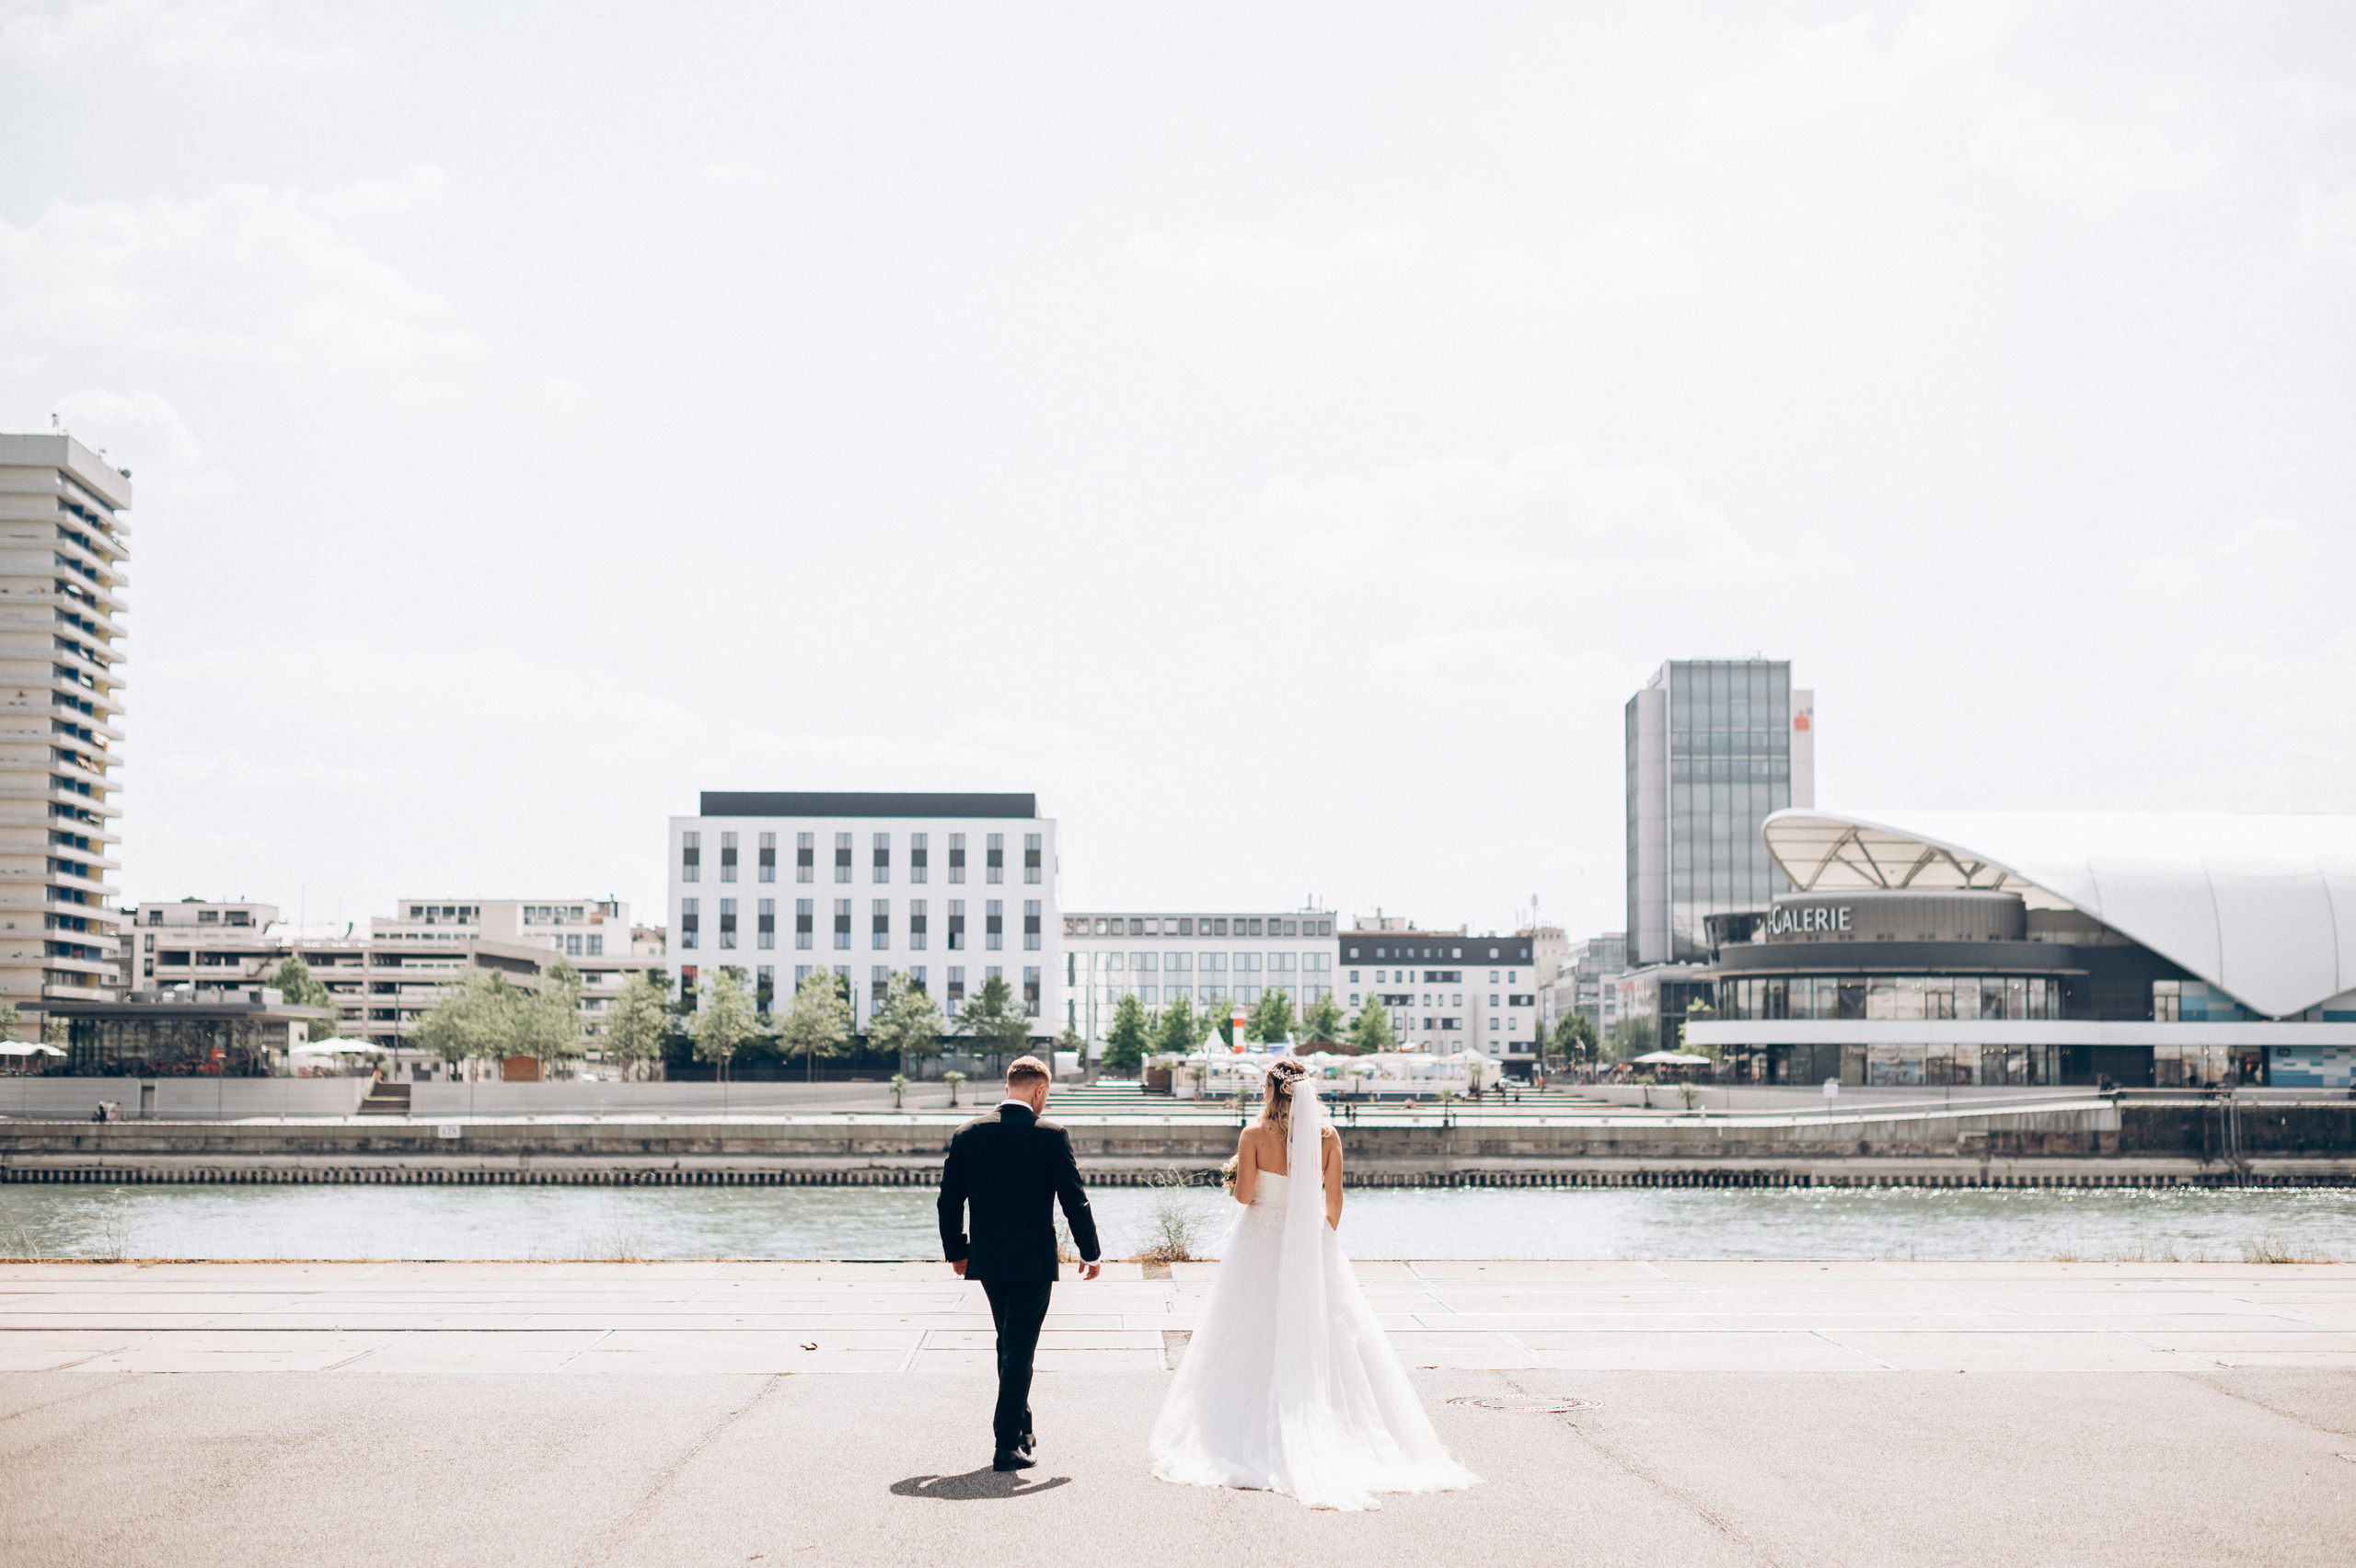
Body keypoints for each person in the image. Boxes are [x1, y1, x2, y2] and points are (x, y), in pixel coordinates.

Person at [1149, 1058, 1477, 1511]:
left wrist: (1233, 1178)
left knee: (1249, 1328)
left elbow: (1245, 1196)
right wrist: (1320, 1243)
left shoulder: (1252, 1136)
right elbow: (1335, 1200)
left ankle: (1249, 1425)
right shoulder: (1327, 1137)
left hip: (1260, 1241)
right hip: (1309, 1240)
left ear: (1269, 1090)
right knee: (1322, 1332)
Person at [938, 1055, 1103, 1473]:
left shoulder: (967, 1134)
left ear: (1007, 1086)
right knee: (1018, 1346)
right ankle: (1005, 1443)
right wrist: (1090, 1251)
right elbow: (1073, 1199)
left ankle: (1023, 1426)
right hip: (1032, 1259)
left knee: (1009, 1343)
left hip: (988, 1257)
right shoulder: (1051, 1135)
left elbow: (949, 1200)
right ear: (1039, 1091)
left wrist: (958, 1250)